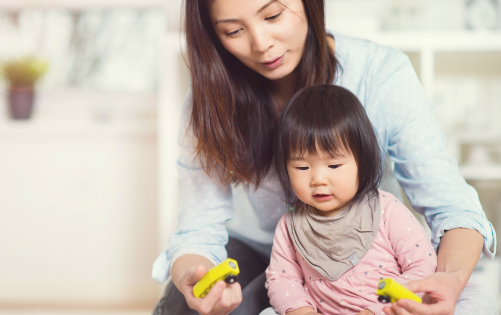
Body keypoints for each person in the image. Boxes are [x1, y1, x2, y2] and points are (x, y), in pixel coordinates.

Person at [151, 1, 497, 314]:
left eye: (273, 15)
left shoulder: (379, 73)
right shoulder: (212, 97)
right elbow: (198, 229)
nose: (261, 43)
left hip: (366, 253)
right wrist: (193, 277)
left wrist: (449, 279)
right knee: (191, 309)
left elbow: (451, 207)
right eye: (234, 31)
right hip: (257, 251)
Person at [259, 85, 495, 315]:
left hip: (390, 310)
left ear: (361, 161)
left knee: (477, 299)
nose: (318, 179)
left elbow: (422, 267)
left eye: (333, 165)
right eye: (302, 166)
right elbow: (282, 278)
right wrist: (302, 311)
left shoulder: (386, 211)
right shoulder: (291, 224)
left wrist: (376, 311)